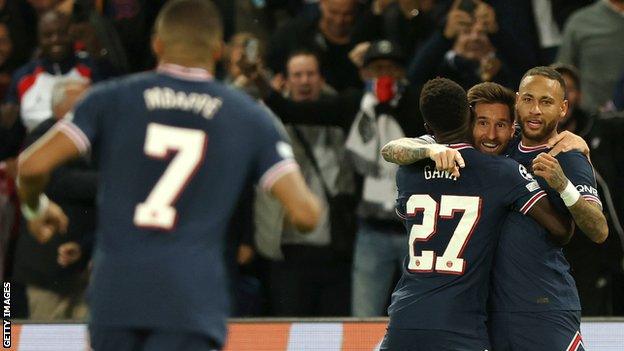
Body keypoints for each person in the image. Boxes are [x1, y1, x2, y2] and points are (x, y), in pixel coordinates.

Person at [16, 1, 321, 350]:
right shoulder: (247, 118)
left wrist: (36, 209)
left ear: (157, 44)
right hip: (191, 302)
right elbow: (306, 213)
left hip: (116, 299)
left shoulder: (109, 100)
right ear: (219, 49)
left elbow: (31, 165)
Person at [382, 69, 608, 350]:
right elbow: (394, 147)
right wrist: (429, 150)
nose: (535, 110)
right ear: (517, 103)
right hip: (488, 316)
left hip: (541, 309)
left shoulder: (566, 156)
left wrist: (564, 185)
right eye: (528, 99)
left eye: (546, 102)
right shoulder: (496, 153)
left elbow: (599, 231)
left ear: (563, 108)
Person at [267, 51, 355, 316]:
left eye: (310, 74)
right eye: (297, 75)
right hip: (289, 250)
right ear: (284, 81)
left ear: (321, 79)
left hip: (335, 249)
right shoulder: (270, 123)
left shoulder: (340, 115)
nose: (304, 81)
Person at [12, 77, 93, 320]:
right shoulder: (42, 136)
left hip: (85, 266)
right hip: (45, 270)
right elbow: (60, 181)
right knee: (45, 343)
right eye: (83, 105)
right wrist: (110, 180)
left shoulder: (96, 142)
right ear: (60, 109)